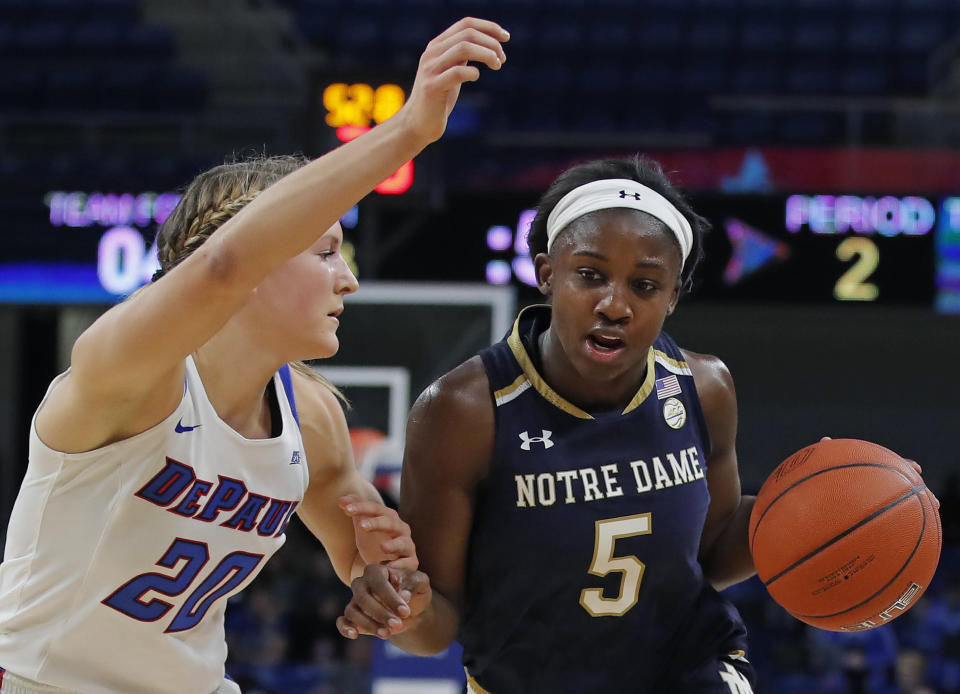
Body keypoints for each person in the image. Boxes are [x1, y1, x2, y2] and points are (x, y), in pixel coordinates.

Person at [0, 17, 510, 694]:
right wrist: (409, 131)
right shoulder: (130, 370)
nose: (348, 280)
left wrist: (393, 593)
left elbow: (416, 628)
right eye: (326, 251)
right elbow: (221, 268)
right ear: (261, 263)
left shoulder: (314, 417)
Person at [338, 156, 761, 693]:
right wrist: (410, 609)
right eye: (590, 275)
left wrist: (806, 514)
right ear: (545, 273)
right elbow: (438, 622)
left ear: (672, 296)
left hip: (687, 672)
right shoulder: (463, 410)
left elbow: (711, 550)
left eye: (646, 286)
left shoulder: (704, 387)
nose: (615, 304)